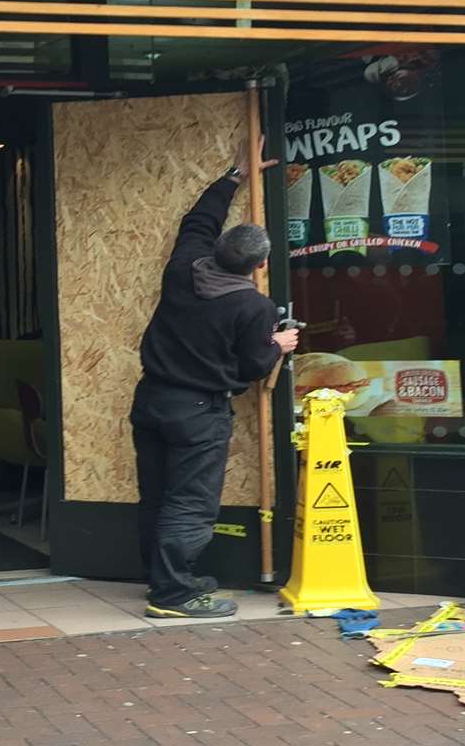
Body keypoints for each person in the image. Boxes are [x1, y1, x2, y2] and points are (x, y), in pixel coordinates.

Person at [132, 140, 299, 619]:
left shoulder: (184, 267)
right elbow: (252, 366)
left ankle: (158, 579)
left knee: (157, 497)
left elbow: (198, 221)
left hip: (152, 401)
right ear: (260, 265)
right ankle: (175, 596)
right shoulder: (253, 306)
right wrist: (279, 347)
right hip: (199, 412)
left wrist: (235, 174)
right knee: (189, 503)